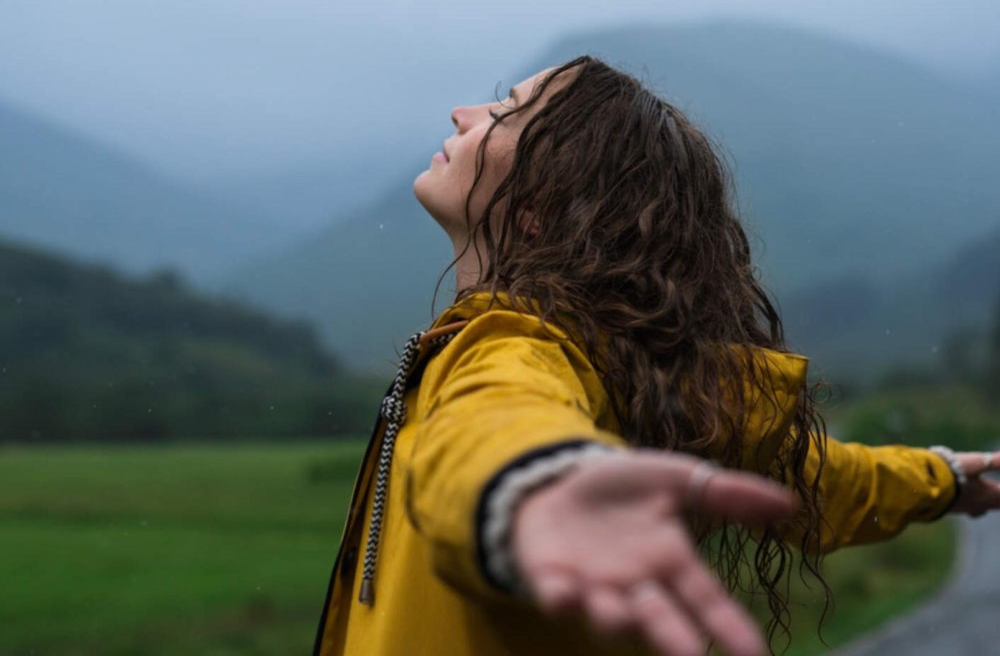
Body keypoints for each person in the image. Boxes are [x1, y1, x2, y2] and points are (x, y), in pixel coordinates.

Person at [312, 56, 1000, 656]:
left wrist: (531, 487)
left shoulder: (510, 349)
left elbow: (498, 424)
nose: (465, 113)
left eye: (506, 111)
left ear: (540, 205)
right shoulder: (669, 391)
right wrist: (944, 478)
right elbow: (823, 482)